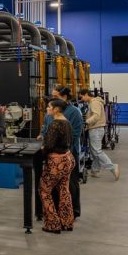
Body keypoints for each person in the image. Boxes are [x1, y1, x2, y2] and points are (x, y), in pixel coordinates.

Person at [45, 86, 86, 217]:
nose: (52, 99)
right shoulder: (51, 110)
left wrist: (61, 150)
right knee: (56, 184)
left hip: (68, 153)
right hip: (53, 154)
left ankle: (74, 211)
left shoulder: (74, 112)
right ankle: (57, 210)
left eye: (55, 96)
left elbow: (75, 134)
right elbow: (45, 126)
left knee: (71, 183)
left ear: (64, 97)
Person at [39, 98, 76, 234]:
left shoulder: (55, 124)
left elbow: (48, 145)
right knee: (64, 190)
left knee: (44, 190)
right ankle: (67, 222)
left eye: (49, 107)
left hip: (57, 163)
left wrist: (41, 154)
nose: (47, 109)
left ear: (56, 109)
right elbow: (70, 141)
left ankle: (53, 224)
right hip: (68, 159)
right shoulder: (67, 123)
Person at [83, 89, 118, 180]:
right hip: (96, 129)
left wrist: (86, 122)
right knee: (94, 151)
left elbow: (96, 115)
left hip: (96, 129)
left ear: (87, 94)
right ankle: (95, 170)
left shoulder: (94, 103)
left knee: (97, 151)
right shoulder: (94, 102)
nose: (82, 99)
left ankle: (112, 167)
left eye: (82, 96)